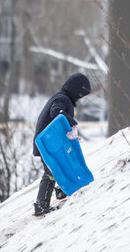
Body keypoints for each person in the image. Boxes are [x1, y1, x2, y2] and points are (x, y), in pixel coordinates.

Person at [32, 72, 91, 216]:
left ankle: (61, 190)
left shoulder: (63, 98)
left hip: (52, 144)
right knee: (51, 172)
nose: (80, 98)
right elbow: (56, 112)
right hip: (47, 145)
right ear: (75, 89)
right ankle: (41, 205)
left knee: (63, 166)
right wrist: (71, 122)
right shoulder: (62, 100)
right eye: (80, 94)